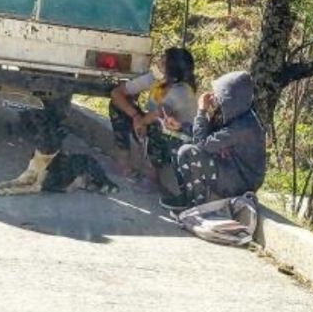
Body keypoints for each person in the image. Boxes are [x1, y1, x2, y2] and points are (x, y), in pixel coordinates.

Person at [161, 71, 266, 210]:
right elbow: (208, 137)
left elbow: (200, 145)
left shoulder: (244, 126)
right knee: (177, 145)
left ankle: (196, 204)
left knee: (188, 151)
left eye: (220, 95)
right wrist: (181, 127)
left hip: (241, 181)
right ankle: (187, 195)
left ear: (231, 98)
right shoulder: (235, 114)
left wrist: (202, 111)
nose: (215, 98)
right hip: (230, 167)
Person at [109, 48, 197, 190]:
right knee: (117, 105)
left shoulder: (182, 91)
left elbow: (160, 113)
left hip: (175, 142)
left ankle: (151, 176)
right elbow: (117, 93)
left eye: (163, 60)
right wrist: (135, 116)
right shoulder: (156, 78)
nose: (158, 61)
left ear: (171, 68)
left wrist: (142, 121)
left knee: (157, 124)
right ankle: (123, 162)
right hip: (149, 125)